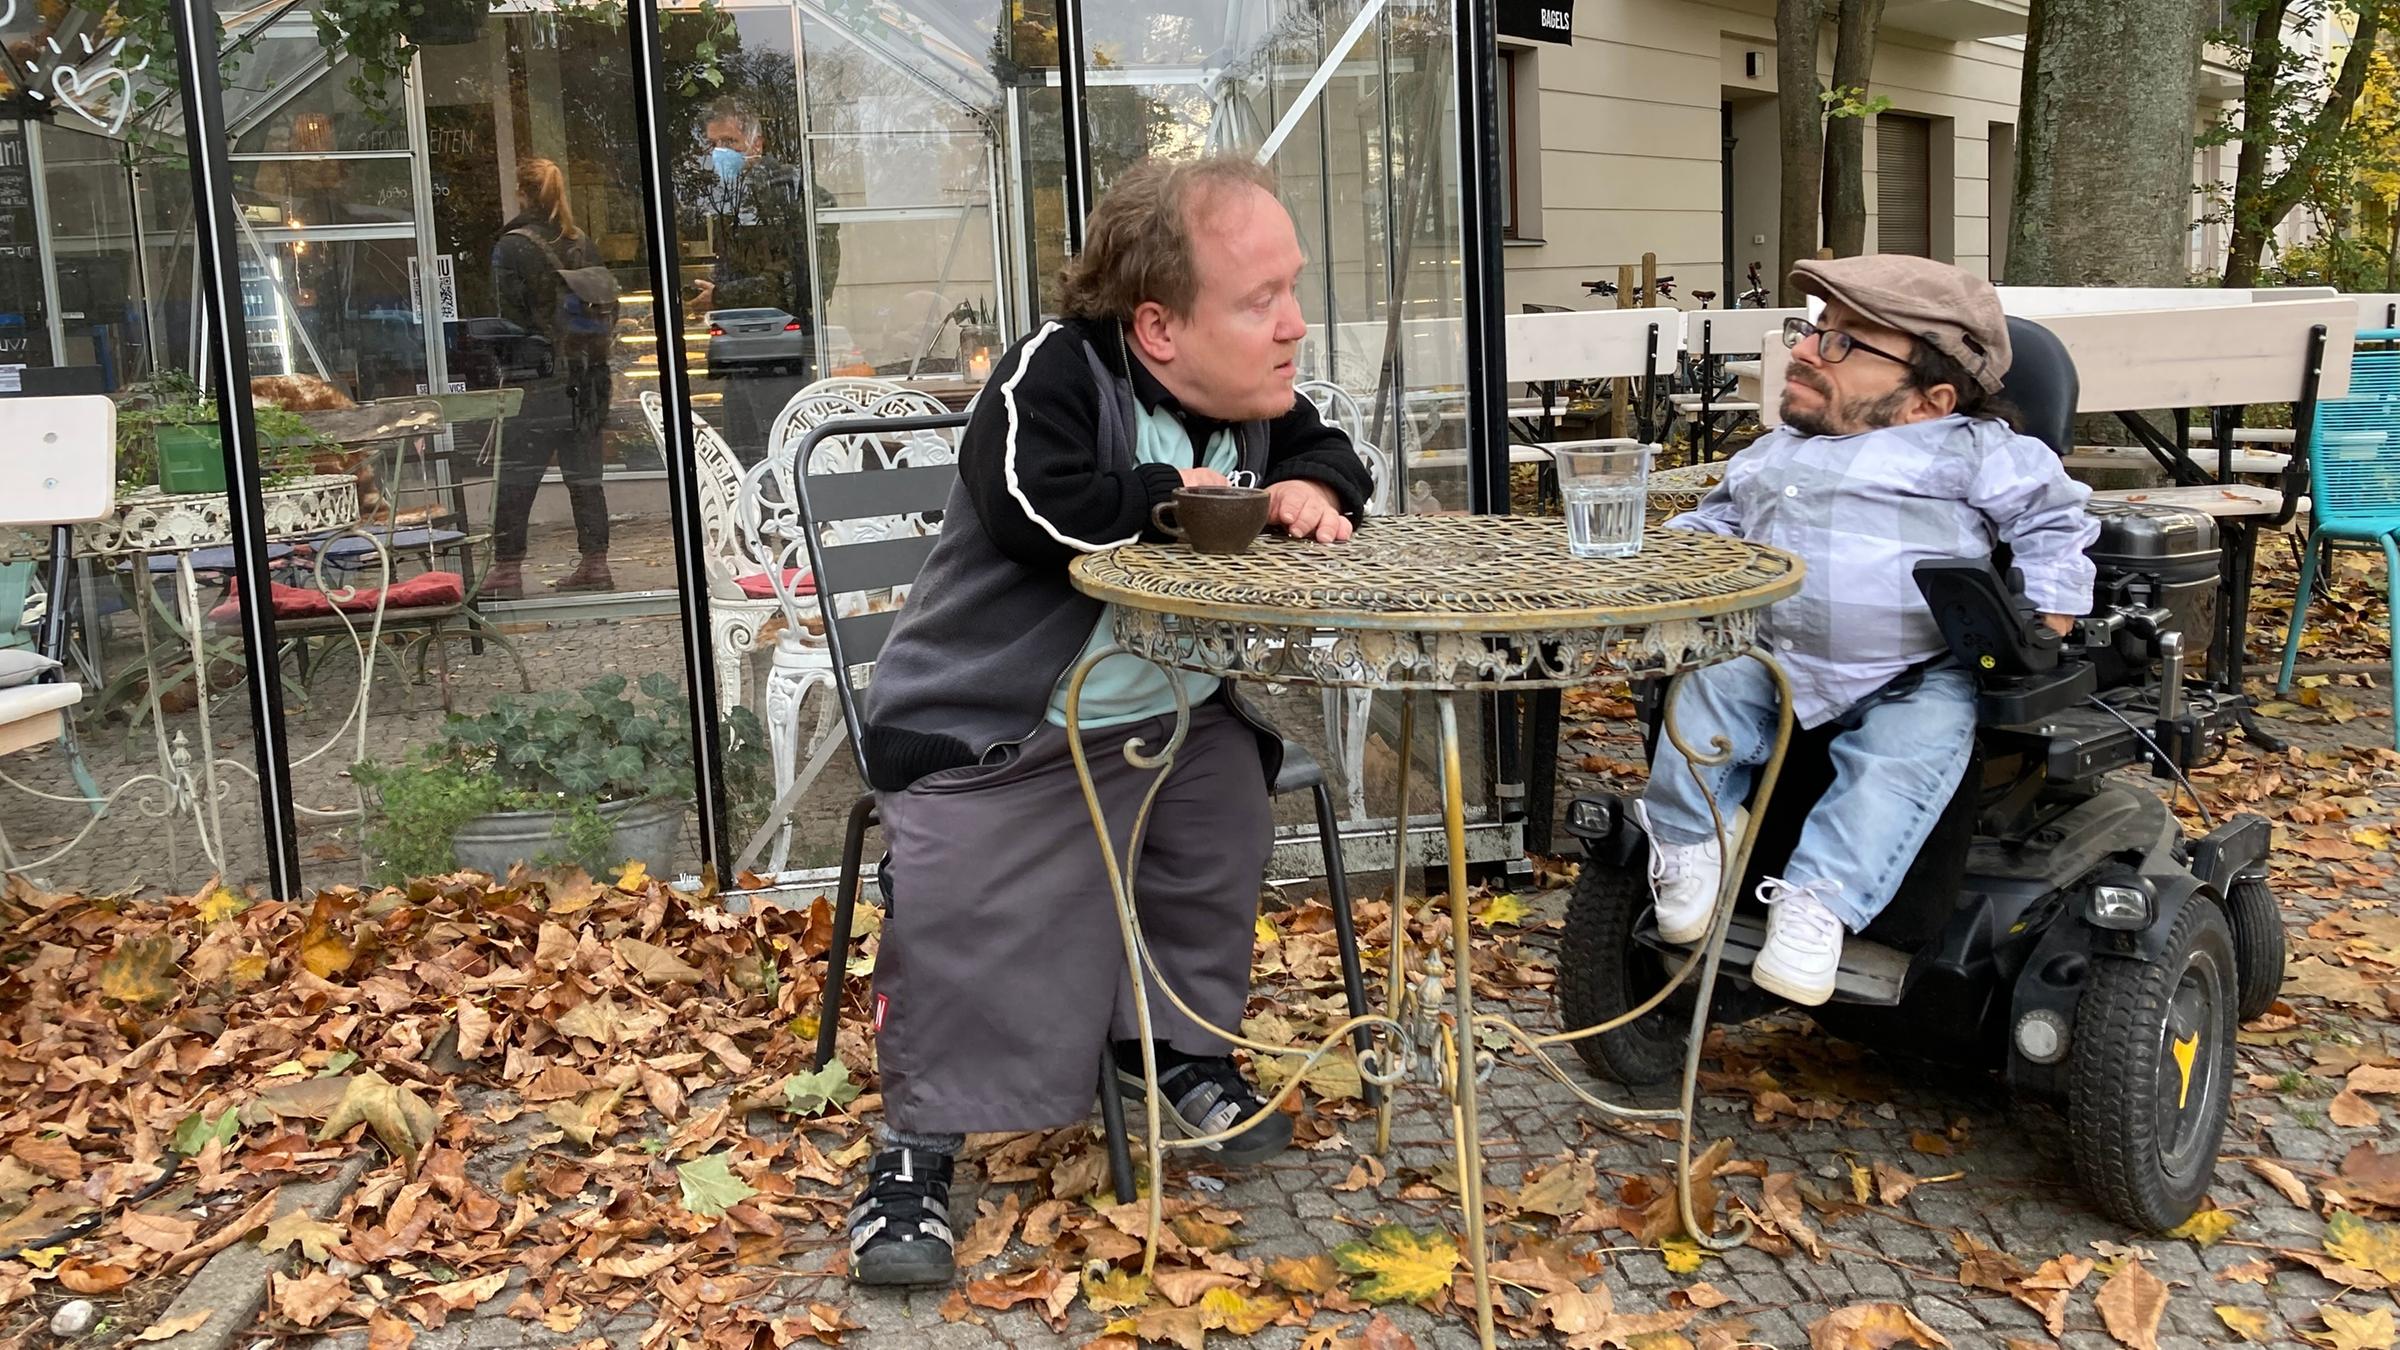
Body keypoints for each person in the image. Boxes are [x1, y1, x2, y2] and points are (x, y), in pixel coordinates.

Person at [839, 156, 1373, 1288]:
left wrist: (1315, 488)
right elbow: (1040, 507)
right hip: (996, 729)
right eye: (1261, 300)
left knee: (1225, 814)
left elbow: (1331, 452)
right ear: (1158, 327)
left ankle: (1161, 1048)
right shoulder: (1059, 369)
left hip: (1169, 723)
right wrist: (1193, 501)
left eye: (1294, 288)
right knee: (960, 899)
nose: (1295, 324)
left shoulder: (1251, 398)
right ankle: (917, 1149)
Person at [1639, 255, 2099, 1006]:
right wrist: (1665, 557)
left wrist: (2049, 614)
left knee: (1901, 760)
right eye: (1812, 332)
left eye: (1844, 343)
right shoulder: (1773, 453)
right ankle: (1691, 842)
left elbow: (2053, 520)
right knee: (1700, 694)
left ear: (1929, 400)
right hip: (1772, 652)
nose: (1805, 350)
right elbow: (1718, 524)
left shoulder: (1969, 451)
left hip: (1912, 668)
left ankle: (1819, 903)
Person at [486, 158, 614, 597]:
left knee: (516, 477)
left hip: (538, 380)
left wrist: (504, 362)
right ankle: (595, 563)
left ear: (521, 193)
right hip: (590, 379)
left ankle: (506, 570)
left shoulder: (512, 246)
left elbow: (510, 320)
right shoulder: (582, 244)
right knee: (585, 477)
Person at [688, 98, 840, 461]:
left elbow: (786, 281)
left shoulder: (778, 190)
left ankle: (775, 516)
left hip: (772, 346)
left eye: (730, 142)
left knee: (775, 453)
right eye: (714, 145)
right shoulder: (736, 193)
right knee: (746, 450)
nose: (720, 153)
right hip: (742, 346)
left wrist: (721, 296)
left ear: (756, 143)